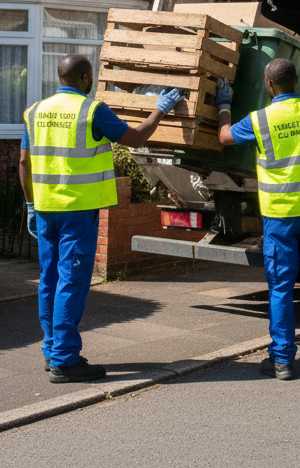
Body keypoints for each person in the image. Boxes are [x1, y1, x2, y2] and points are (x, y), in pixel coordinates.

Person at [19, 54, 182, 383]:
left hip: (46, 210)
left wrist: (30, 205)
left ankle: (53, 351)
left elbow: (24, 163)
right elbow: (135, 137)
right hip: (78, 213)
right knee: (71, 282)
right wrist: (161, 108)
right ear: (83, 76)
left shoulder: (35, 111)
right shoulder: (92, 110)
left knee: (49, 280)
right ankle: (65, 361)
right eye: (90, 75)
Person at [218, 60, 300, 380]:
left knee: (281, 288)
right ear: (297, 82)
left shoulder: (260, 120)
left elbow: (224, 137)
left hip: (280, 217)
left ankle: (283, 360)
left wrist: (223, 105)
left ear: (268, 84)